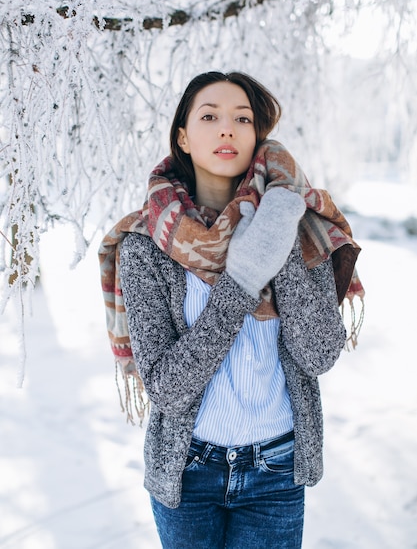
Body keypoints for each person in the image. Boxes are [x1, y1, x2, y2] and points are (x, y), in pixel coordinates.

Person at [98, 71, 364, 549]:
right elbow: (165, 387)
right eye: (210, 116)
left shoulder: (299, 226)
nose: (227, 129)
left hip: (277, 472)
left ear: (256, 135)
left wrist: (275, 241)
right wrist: (240, 282)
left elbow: (319, 354)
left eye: (242, 118)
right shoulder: (146, 244)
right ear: (183, 136)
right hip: (187, 472)